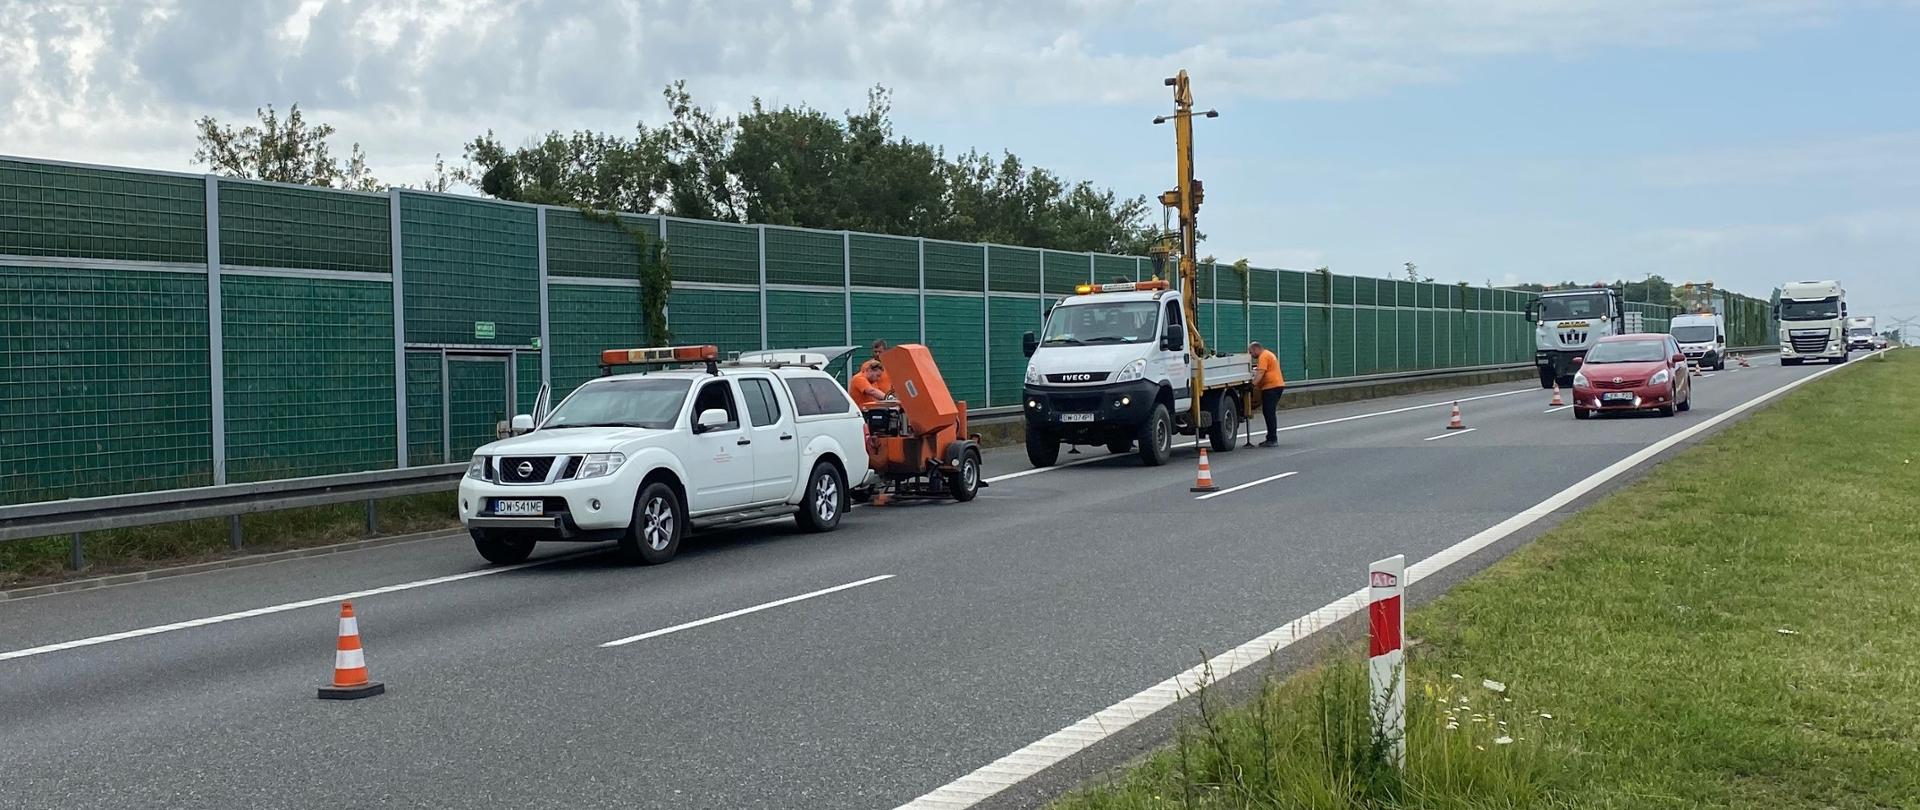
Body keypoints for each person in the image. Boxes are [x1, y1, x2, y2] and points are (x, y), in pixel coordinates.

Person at [1249, 341, 1286, 447]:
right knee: (1268, 412)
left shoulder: (1263, 356)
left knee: (1269, 412)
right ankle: (1271, 437)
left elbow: (1261, 372)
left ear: (1256, 349)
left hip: (1271, 387)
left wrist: (1252, 385)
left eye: (1251, 352)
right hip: (1276, 385)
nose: (1251, 355)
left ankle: (1272, 438)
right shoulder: (1268, 354)